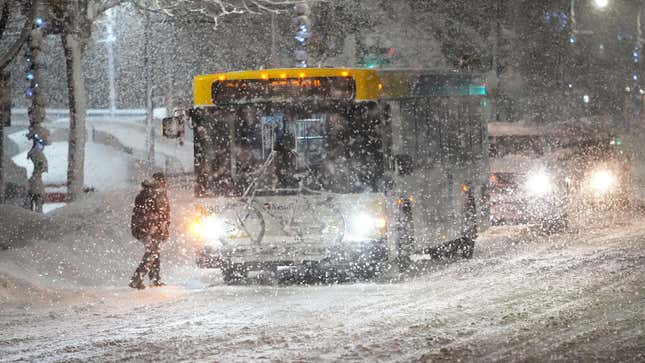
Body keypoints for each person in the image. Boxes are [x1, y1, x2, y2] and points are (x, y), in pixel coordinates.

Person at [129, 172, 171, 289]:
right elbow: (160, 214)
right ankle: (136, 280)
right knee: (152, 252)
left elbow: (161, 214)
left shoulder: (148, 193)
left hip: (146, 227)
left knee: (154, 251)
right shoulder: (154, 194)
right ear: (160, 181)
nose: (164, 184)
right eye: (163, 181)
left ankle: (155, 279)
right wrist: (160, 226)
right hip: (149, 228)